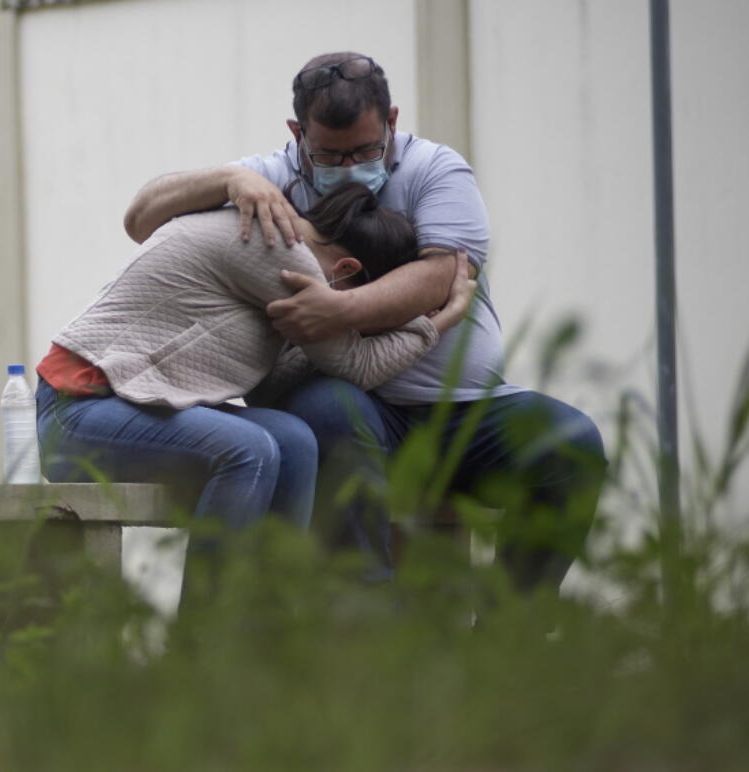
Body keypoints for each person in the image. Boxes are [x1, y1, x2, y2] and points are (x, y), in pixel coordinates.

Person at [122, 52, 606, 591]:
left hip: (465, 412)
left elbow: (443, 273)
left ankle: (507, 636)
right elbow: (141, 218)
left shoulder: (435, 170)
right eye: (329, 153)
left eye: (367, 149)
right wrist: (230, 178)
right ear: (297, 132)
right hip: (353, 410)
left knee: (571, 445)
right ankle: (369, 620)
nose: (350, 165)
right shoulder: (272, 179)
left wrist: (340, 310)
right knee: (328, 412)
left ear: (392, 121)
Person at [35, 183, 475, 573]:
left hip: (132, 410)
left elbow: (273, 384)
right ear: (347, 271)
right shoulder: (280, 249)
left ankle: (267, 634)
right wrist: (439, 322)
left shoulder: (286, 267)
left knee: (294, 439)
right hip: (75, 412)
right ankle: (204, 646)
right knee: (250, 449)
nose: (353, 324)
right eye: (366, 310)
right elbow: (356, 365)